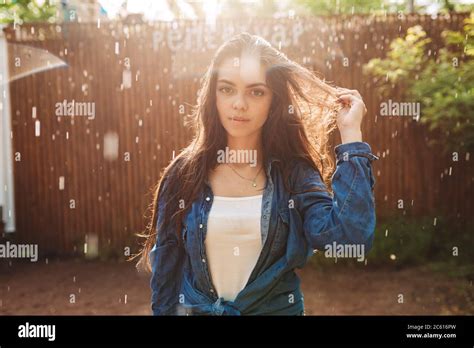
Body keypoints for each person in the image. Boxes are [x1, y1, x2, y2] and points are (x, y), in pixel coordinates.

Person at [135, 32, 379, 315]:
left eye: (256, 91)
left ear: (273, 100)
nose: (239, 103)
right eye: (227, 89)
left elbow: (350, 238)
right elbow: (166, 273)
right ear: (212, 95)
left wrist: (351, 138)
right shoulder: (184, 173)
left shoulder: (293, 174)